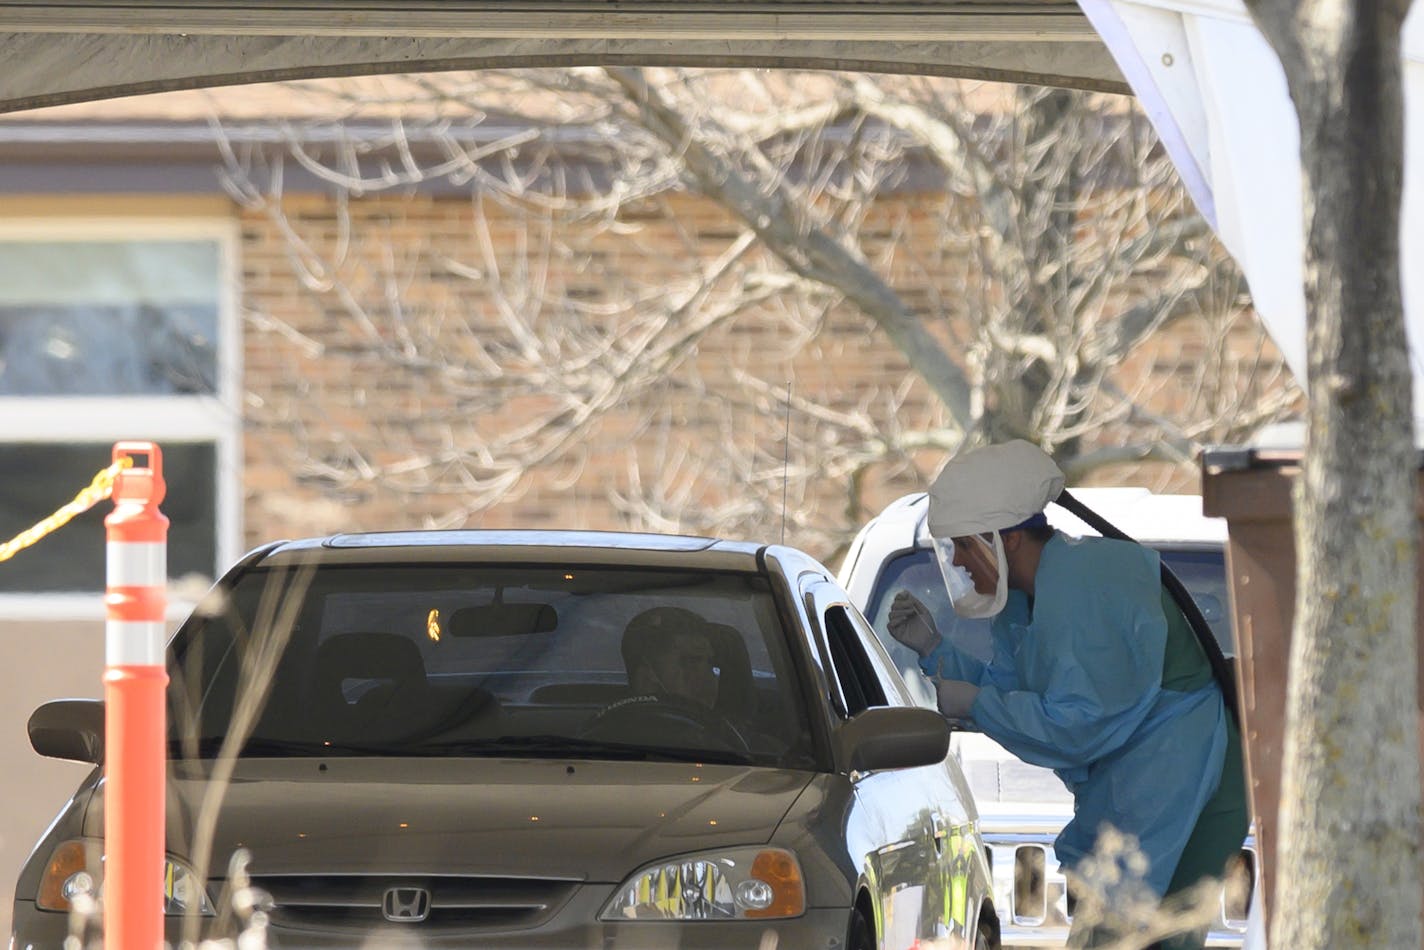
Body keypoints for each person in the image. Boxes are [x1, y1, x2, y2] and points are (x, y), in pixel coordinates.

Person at [887, 440, 1248, 950]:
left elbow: (1075, 726)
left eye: (965, 545)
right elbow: (1021, 692)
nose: (961, 563)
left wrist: (976, 703)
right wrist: (936, 653)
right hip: (1150, 782)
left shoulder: (1090, 585)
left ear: (1007, 539)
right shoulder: (1031, 597)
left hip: (1183, 776)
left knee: (1124, 937)